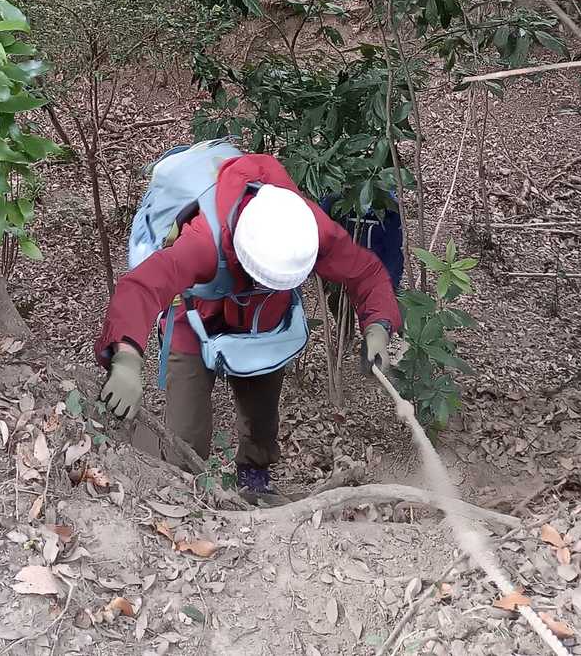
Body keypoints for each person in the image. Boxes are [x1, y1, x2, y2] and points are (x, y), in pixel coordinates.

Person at [95, 151, 401, 495]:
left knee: (261, 419)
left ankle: (254, 479)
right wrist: (126, 359)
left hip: (264, 320)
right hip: (195, 320)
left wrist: (378, 326)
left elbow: (365, 271)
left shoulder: (305, 227)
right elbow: (141, 287)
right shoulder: (204, 242)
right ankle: (181, 490)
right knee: (186, 436)